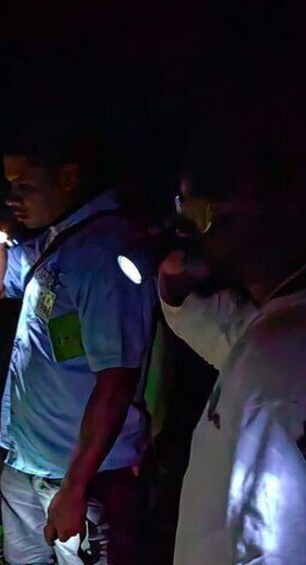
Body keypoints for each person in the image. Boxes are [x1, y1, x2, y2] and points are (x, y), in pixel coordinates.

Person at [0, 126, 157, 564]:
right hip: (28, 459)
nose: (13, 197)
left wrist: (75, 488)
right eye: (8, 186)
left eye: (25, 186)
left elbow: (116, 383)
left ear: (68, 178)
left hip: (82, 475)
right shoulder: (56, 239)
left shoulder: (105, 254)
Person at [158, 93, 306, 564]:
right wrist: (179, 292)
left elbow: (271, 550)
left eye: (201, 214)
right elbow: (230, 339)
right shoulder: (275, 327)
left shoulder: (280, 356)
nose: (187, 229)